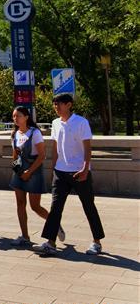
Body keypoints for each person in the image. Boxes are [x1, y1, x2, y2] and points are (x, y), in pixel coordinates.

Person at [38, 93, 105, 257]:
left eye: (59, 104)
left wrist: (85, 168)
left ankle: (97, 242)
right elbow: (55, 148)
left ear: (69, 104)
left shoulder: (81, 122)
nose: (56, 107)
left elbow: (87, 148)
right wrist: (53, 169)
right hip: (60, 172)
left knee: (88, 206)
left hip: (79, 172)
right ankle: (51, 242)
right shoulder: (55, 123)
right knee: (55, 208)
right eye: (54, 104)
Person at [7, 106, 64, 247]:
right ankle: (25, 236)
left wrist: (29, 172)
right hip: (19, 171)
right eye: (14, 116)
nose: (15, 119)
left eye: (18, 116)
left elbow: (42, 155)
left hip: (34, 171)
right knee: (20, 204)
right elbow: (15, 155)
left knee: (35, 206)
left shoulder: (35, 133)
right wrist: (16, 169)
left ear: (26, 117)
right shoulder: (15, 134)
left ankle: (55, 225)